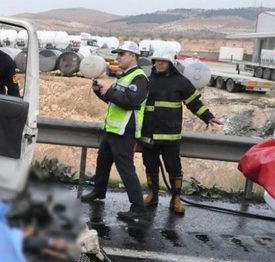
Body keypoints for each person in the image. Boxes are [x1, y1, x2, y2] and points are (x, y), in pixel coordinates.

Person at [140, 50, 222, 214]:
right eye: (157, 61)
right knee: (150, 166)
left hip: (170, 136)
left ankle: (176, 199)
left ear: (171, 63)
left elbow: (194, 103)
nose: (160, 64)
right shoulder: (147, 80)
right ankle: (152, 195)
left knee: (174, 168)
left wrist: (208, 117)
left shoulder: (181, 82)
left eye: (164, 61)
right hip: (148, 134)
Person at [81, 41, 149, 221]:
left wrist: (109, 90)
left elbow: (130, 101)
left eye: (121, 54)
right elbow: (115, 101)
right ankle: (98, 192)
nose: (117, 58)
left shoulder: (139, 78)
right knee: (102, 163)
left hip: (125, 130)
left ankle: (138, 207)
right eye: (117, 54)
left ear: (132, 56)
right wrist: (100, 91)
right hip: (112, 129)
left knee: (126, 169)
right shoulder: (124, 76)